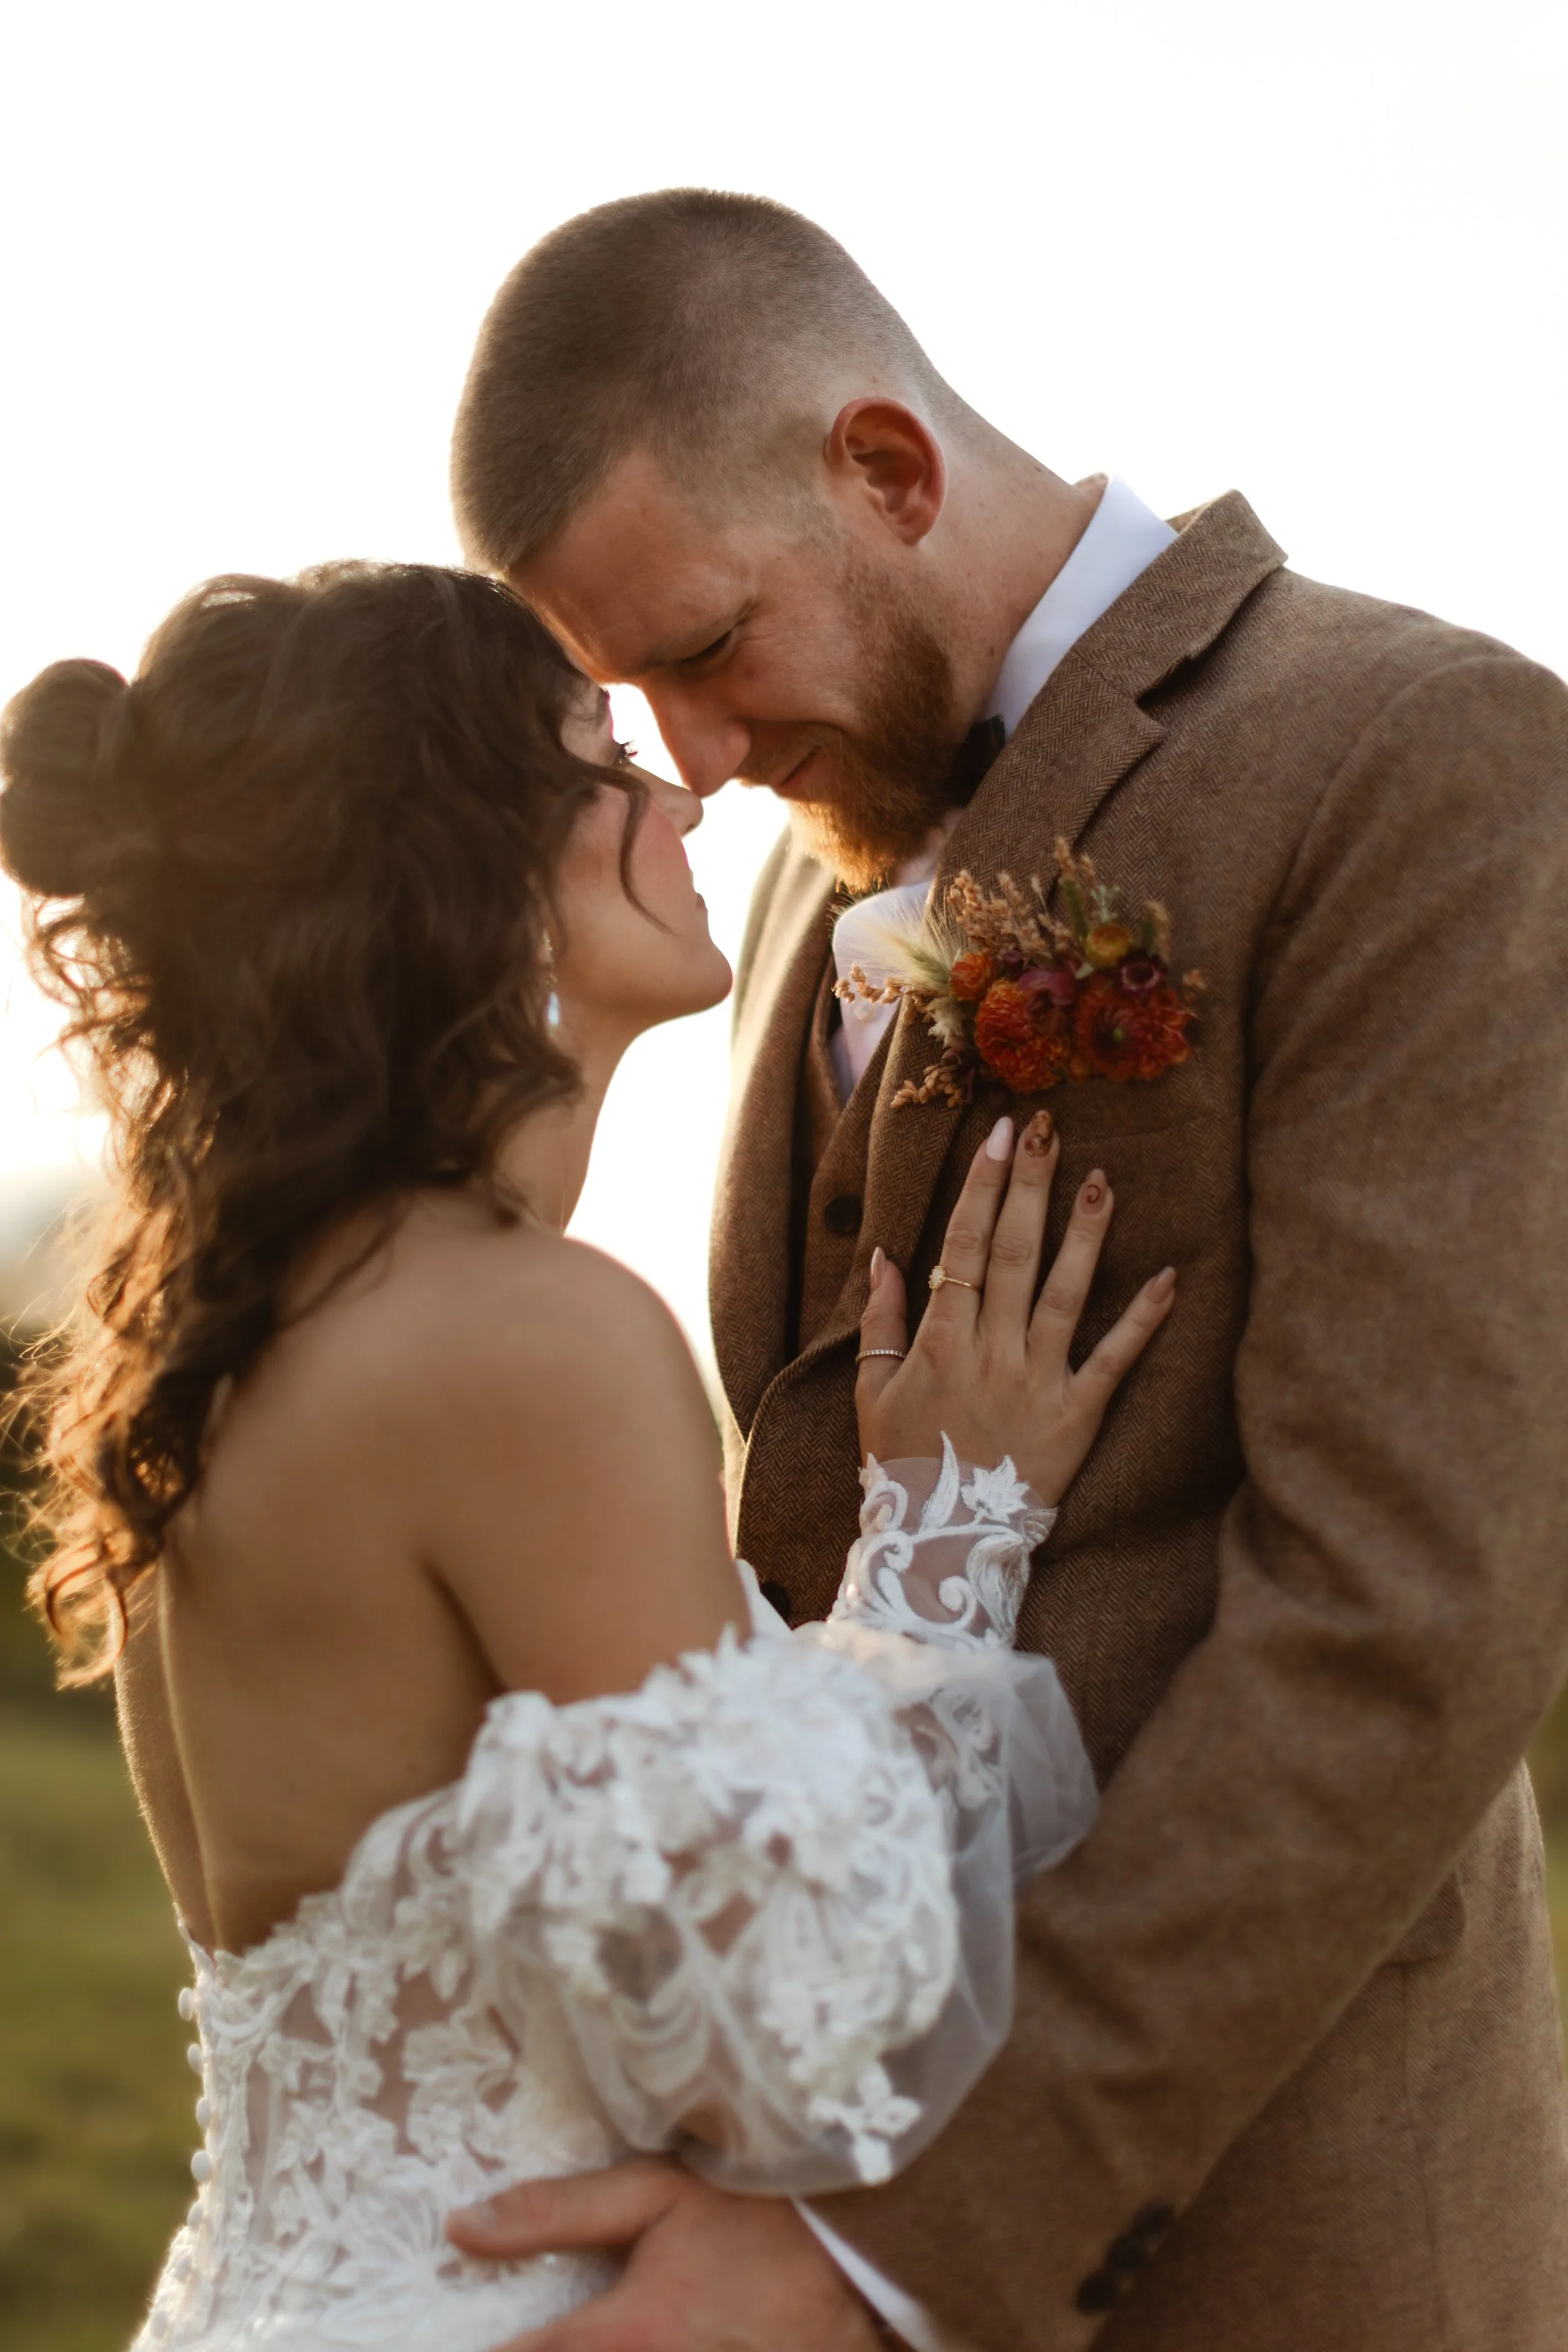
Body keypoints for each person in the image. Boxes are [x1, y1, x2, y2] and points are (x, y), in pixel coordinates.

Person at [447, 188, 1568, 2349]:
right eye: (626, 696)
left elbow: (1409, 1608)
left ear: (883, 467)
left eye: (698, 650)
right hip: (779, 2181)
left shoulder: (1424, 757)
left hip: (1270, 2237)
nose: (689, 756)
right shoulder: (802, 866)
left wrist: (902, 2245)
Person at [0, 563, 1174, 2351]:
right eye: (600, 753)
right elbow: (787, 2030)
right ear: (458, 852)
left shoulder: (252, 1338)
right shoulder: (521, 1333)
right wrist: (947, 1537)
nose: (681, 791)